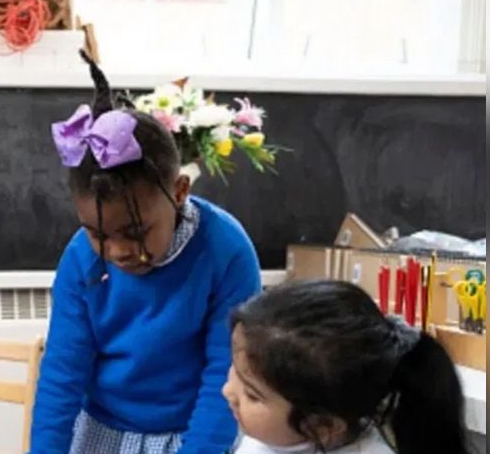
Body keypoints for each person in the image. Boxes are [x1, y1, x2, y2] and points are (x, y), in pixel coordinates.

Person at [29, 51, 263, 454]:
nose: (118, 251)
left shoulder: (227, 251)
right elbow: (62, 373)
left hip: (192, 434)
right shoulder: (80, 259)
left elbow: (225, 375)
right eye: (98, 234)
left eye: (136, 232)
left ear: (179, 192)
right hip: (102, 428)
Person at [223, 280, 468, 454]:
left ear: (322, 426)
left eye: (252, 395)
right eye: (234, 369)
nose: (228, 391)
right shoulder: (276, 438)